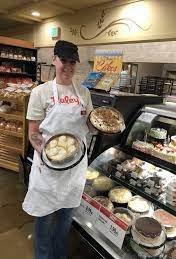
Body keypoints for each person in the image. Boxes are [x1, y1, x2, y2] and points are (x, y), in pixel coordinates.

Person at [22, 40, 93, 259]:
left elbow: (90, 125)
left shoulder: (83, 93)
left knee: (64, 220)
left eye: (73, 62)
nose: (68, 66)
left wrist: (101, 125)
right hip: (48, 169)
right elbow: (33, 132)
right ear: (54, 59)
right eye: (64, 60)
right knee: (44, 219)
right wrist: (48, 156)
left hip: (74, 170)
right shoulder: (40, 93)